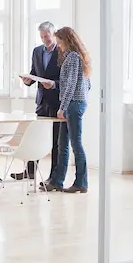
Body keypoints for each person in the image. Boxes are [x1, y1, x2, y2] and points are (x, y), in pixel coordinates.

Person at [44, 26, 92, 194]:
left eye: (59, 41)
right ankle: (57, 181)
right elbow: (87, 84)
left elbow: (70, 85)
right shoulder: (79, 57)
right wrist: (55, 85)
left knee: (75, 144)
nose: (58, 44)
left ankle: (81, 182)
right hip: (77, 103)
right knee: (62, 143)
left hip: (72, 105)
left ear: (66, 40)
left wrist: (62, 107)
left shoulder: (71, 57)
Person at [13, 22, 61, 181]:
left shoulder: (62, 51)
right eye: (42, 37)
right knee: (34, 137)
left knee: (56, 141)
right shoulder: (37, 51)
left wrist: (53, 84)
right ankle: (30, 171)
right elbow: (35, 73)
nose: (44, 40)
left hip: (57, 102)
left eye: (47, 37)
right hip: (41, 102)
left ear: (53, 34)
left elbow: (65, 79)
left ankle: (53, 177)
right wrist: (27, 81)